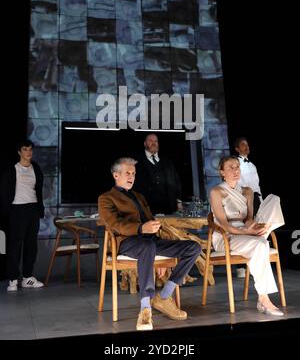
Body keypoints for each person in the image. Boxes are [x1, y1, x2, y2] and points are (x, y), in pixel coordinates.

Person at [99, 157, 201, 331]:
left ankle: (164, 296)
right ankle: (145, 307)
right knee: (148, 247)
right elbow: (115, 225)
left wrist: (154, 233)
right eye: (127, 173)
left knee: (193, 247)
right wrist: (140, 228)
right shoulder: (106, 198)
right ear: (116, 175)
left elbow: (150, 222)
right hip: (127, 242)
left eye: (134, 173)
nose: (131, 176)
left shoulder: (139, 196)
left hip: (151, 242)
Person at [210, 155, 285, 316]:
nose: (235, 170)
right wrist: (247, 232)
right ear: (222, 172)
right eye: (230, 167)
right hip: (226, 236)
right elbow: (224, 224)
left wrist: (257, 227)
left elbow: (249, 219)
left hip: (246, 233)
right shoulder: (216, 191)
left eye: (237, 167)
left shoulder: (247, 191)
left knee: (274, 201)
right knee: (261, 244)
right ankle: (264, 299)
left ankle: (263, 298)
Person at [0, 139, 45, 291]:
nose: (28, 152)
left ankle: (27, 278)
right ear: (19, 152)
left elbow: (38, 190)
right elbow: (5, 193)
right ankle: (13, 279)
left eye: (30, 149)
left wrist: (39, 209)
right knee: (15, 245)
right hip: (17, 210)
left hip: (33, 210)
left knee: (31, 245)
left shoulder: (36, 168)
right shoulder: (12, 169)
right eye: (25, 149)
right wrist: (8, 212)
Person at [234, 137, 263, 278]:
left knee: (255, 228)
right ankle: (240, 266)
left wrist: (260, 200)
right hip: (243, 198)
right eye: (243, 145)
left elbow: (257, 186)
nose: (246, 147)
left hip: (256, 198)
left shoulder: (252, 165)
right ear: (237, 149)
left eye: (247, 144)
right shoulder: (236, 163)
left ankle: (252, 263)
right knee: (243, 228)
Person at [134, 133, 182, 215]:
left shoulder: (167, 162)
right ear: (145, 143)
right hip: (146, 209)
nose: (154, 143)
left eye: (156, 141)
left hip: (168, 208)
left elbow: (176, 182)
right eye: (151, 140)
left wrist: (179, 201)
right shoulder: (136, 162)